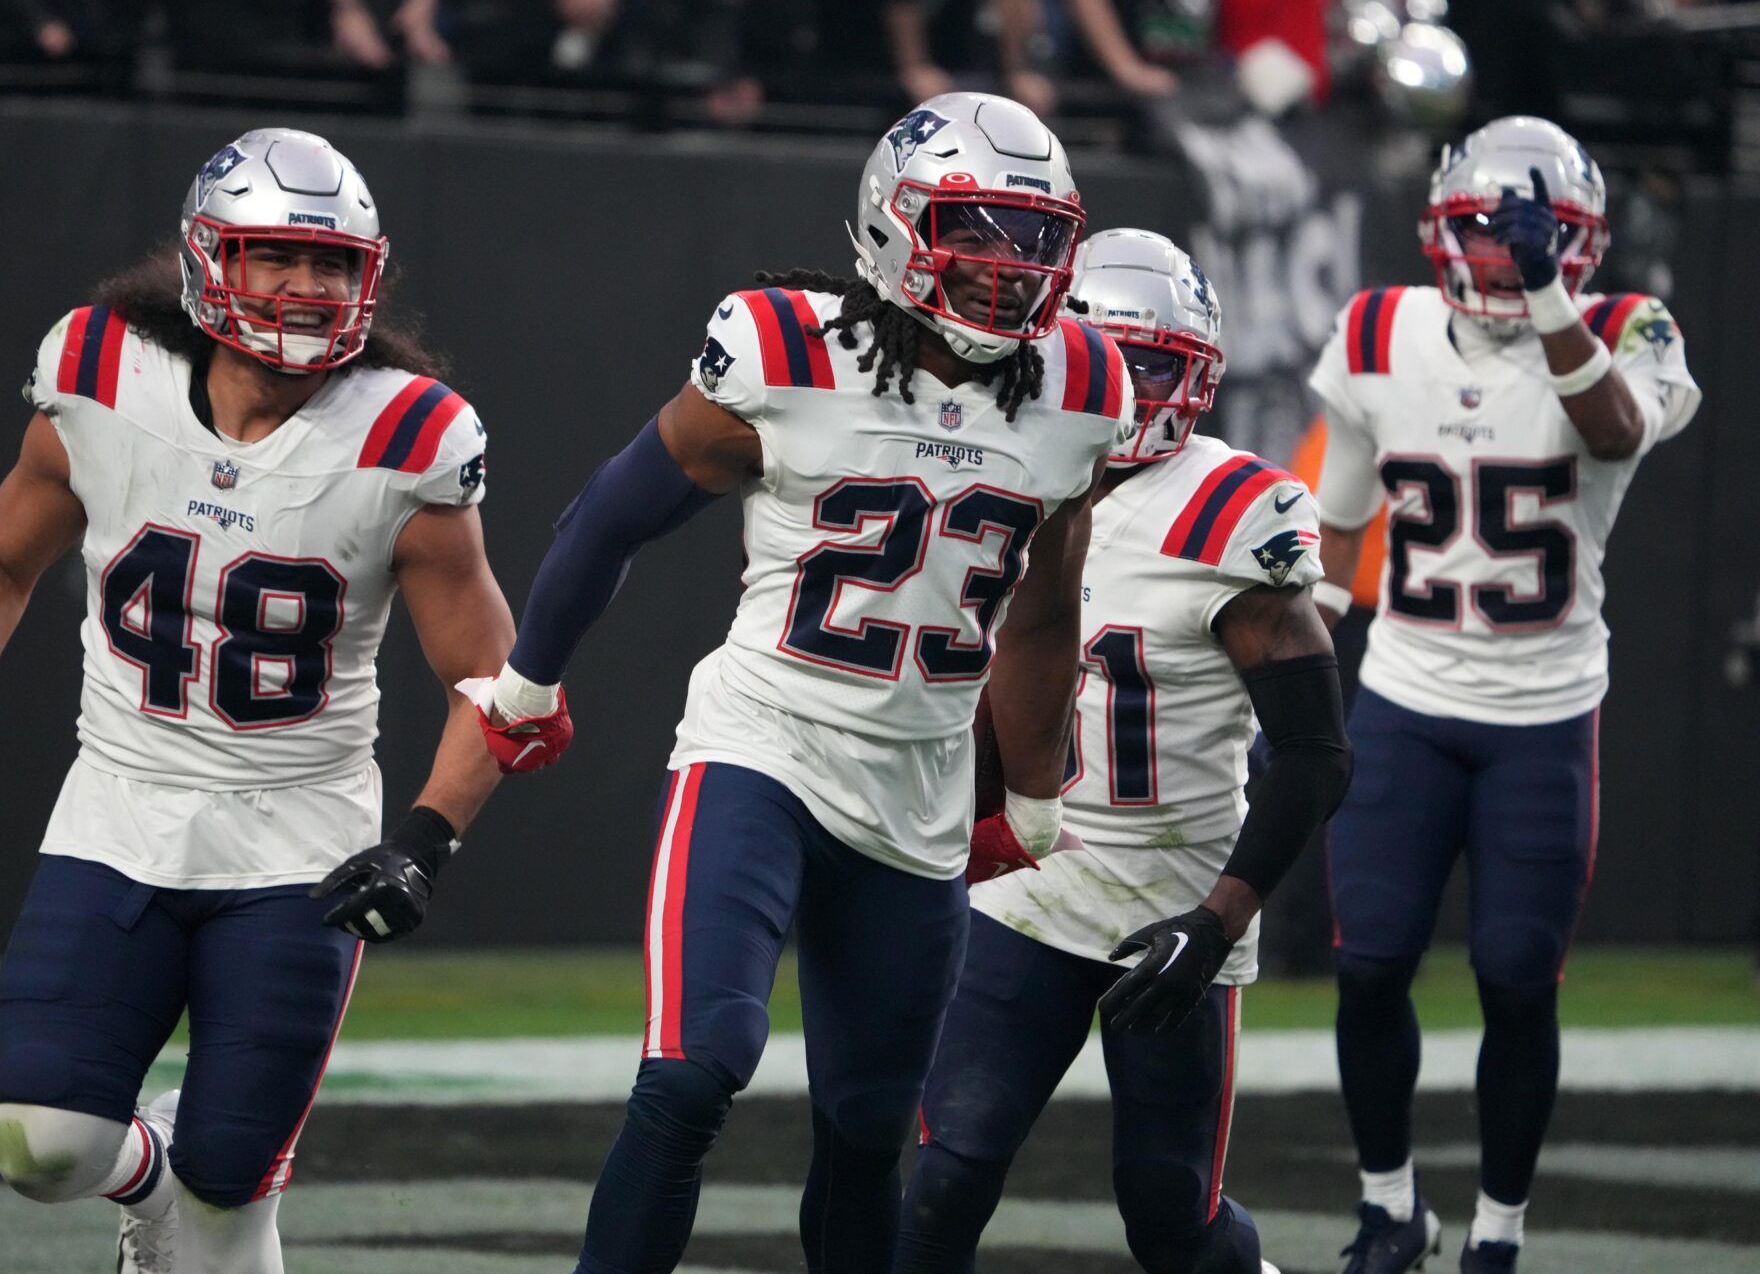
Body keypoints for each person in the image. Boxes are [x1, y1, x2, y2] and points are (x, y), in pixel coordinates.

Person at [463, 92, 1128, 1272]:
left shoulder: (1080, 385)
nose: (1005, 267)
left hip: (917, 798)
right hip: (762, 748)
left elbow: (1044, 607)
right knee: (691, 1072)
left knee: (870, 1130)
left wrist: (1031, 788)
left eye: (1033, 238)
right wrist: (528, 677)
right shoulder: (789, 348)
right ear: (893, 224)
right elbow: (615, 512)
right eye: (975, 228)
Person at [0, 128, 512, 1274]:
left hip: (295, 836)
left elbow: (491, 683)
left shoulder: (406, 434)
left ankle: (198, 1194)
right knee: (42, 1144)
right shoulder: (102, 371)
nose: (308, 287)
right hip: (121, 804)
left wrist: (426, 838)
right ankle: (147, 1177)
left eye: (332, 264)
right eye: (276, 256)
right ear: (208, 258)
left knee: (231, 1205)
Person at [894, 228, 1352, 1273]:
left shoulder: (1236, 508)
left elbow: (1317, 753)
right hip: (1025, 882)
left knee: (1170, 1215)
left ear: (1194, 375)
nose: (1123, 389)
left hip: (1176, 895)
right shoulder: (995, 465)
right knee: (941, 1179)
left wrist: (1218, 917)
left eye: (1151, 364)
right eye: (1099, 356)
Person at [1309, 116, 1701, 1274]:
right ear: (1437, 231)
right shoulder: (1380, 328)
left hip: (1542, 714)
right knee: (1370, 962)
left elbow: (1617, 426)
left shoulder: (1633, 329)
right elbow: (1336, 521)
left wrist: (1546, 299)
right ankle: (1391, 1205)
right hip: (1408, 695)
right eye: (1478, 235)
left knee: (1516, 983)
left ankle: (1498, 1228)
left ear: (1580, 245)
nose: (1495, 259)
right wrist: (1302, 673)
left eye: (1523, 240)